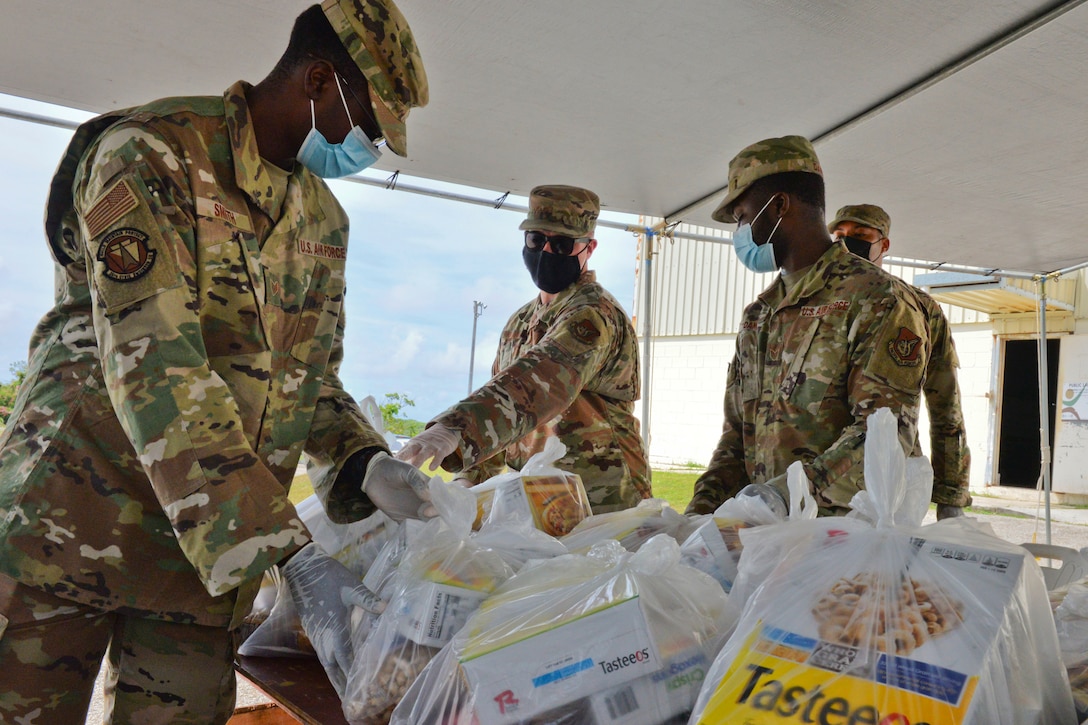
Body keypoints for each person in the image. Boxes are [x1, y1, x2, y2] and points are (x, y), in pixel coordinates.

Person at [0, 1, 430, 721]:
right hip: (73, 517)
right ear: (320, 81)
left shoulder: (322, 220)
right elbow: (154, 361)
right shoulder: (149, 153)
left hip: (197, 556)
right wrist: (288, 550)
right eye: (372, 123)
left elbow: (310, 376)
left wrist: (363, 460)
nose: (373, 146)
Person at [686, 136, 931, 517]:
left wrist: (782, 499)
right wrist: (699, 516)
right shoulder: (759, 315)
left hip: (840, 542)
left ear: (779, 205)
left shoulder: (877, 299)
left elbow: (882, 436)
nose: (740, 232)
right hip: (763, 537)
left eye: (742, 217)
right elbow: (737, 437)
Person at [397, 185, 651, 513]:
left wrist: (456, 428)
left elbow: (539, 382)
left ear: (589, 248)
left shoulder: (593, 314)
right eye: (535, 239)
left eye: (561, 244)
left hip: (603, 503)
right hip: (538, 503)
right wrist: (467, 481)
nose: (546, 251)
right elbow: (502, 401)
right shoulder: (520, 321)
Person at [829, 203, 972, 519]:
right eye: (838, 235)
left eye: (860, 235)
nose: (845, 242)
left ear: (884, 244)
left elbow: (945, 402)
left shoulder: (917, 306)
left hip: (887, 483)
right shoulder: (812, 302)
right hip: (816, 476)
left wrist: (952, 496)